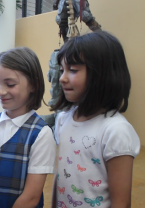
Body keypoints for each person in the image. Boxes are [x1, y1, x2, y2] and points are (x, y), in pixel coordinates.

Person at [50, 31, 140, 207]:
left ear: (103, 74)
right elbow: (61, 177)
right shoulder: (63, 120)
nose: (62, 78)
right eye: (62, 70)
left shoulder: (116, 130)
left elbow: (121, 202)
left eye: (73, 70)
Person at [0, 47, 57, 208]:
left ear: (33, 85)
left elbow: (31, 196)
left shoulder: (41, 134)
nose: (1, 92)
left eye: (10, 84)